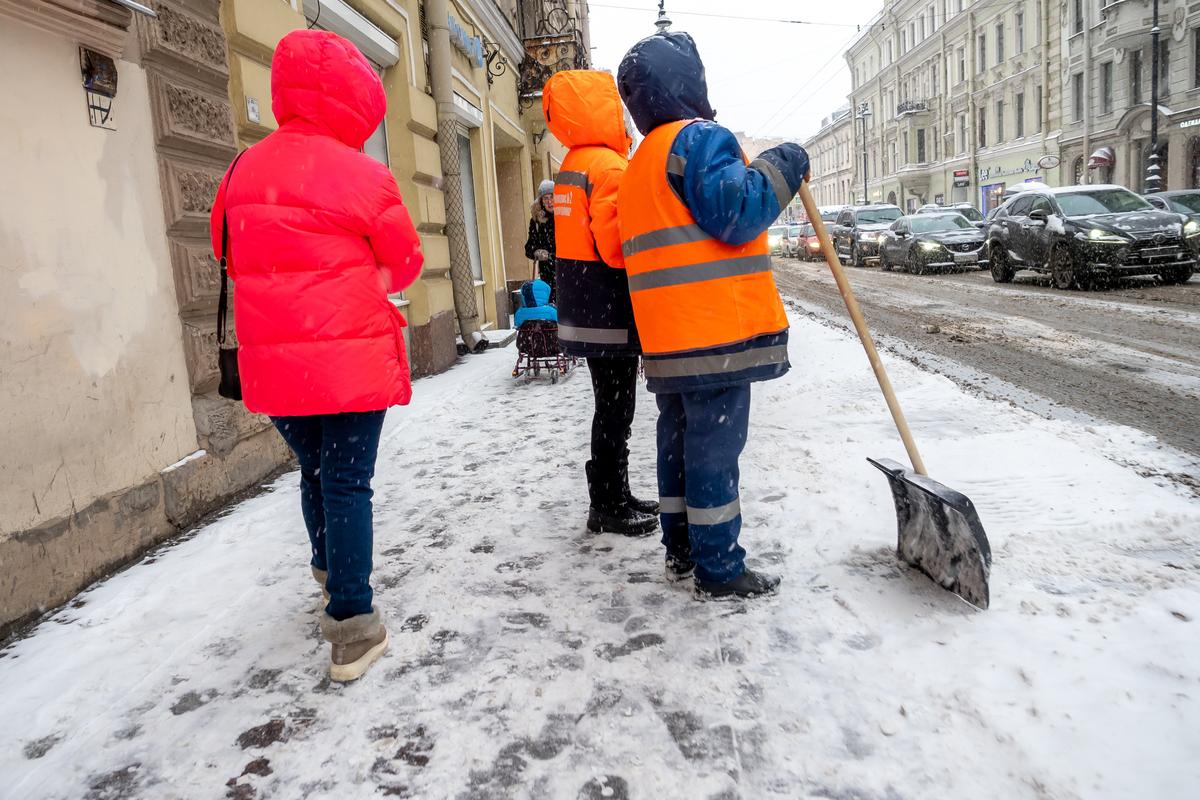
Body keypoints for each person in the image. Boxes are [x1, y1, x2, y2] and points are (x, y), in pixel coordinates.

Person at [209, 29, 423, 680]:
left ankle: (330, 571)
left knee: (315, 473)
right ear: (352, 98)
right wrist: (360, 280)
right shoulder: (363, 174)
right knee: (348, 480)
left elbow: (225, 250)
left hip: (278, 367)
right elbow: (407, 260)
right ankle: (353, 628)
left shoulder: (243, 170)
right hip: (351, 360)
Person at [616, 31, 809, 599]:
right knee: (713, 453)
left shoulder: (640, 164)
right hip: (714, 335)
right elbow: (739, 212)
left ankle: (681, 549)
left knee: (677, 443)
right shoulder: (698, 141)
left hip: (668, 338)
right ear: (689, 84)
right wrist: (788, 162)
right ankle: (719, 567)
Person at [542, 70, 658, 537]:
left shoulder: (572, 163)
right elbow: (614, 247)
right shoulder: (608, 167)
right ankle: (607, 503)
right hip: (609, 307)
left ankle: (615, 493)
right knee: (616, 411)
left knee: (608, 408)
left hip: (582, 305)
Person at [525, 180, 557, 302]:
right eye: (545, 198)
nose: (549, 202)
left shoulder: (565, 216)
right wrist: (536, 252)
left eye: (552, 197)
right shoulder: (537, 221)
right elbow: (529, 247)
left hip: (566, 271)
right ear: (541, 201)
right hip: (547, 277)